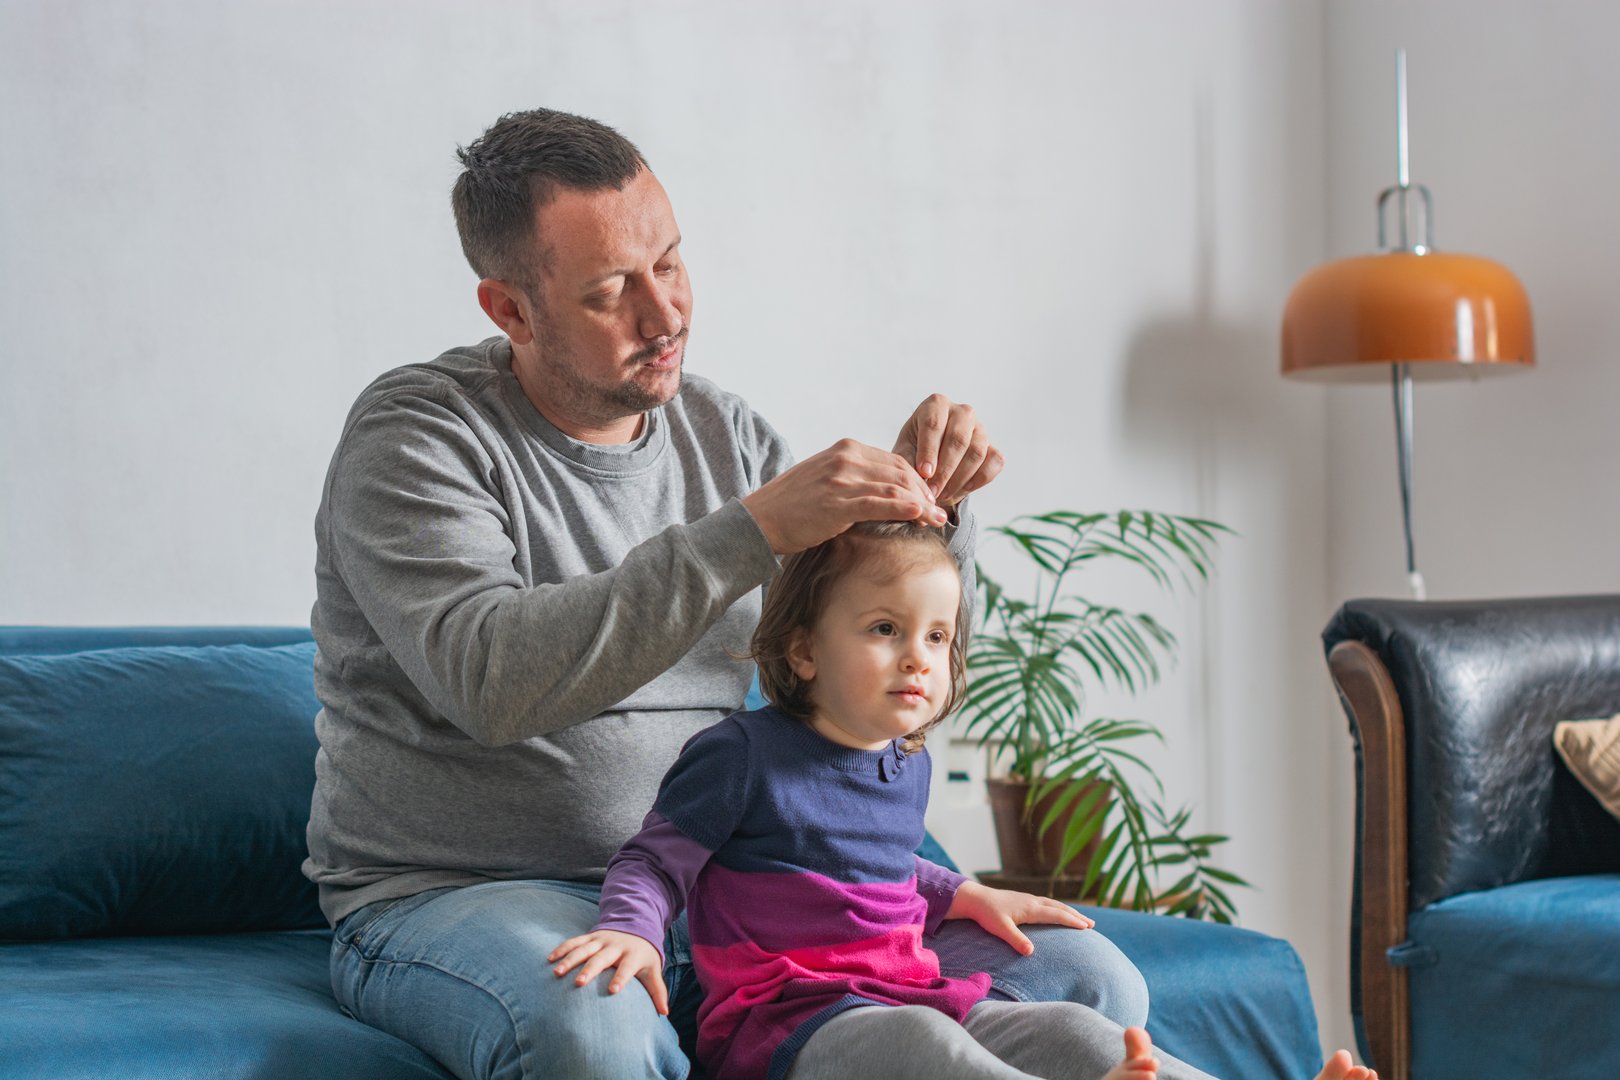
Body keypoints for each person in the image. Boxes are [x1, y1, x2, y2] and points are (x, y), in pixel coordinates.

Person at [306, 107, 1149, 1080]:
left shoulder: (722, 431)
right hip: (469, 892)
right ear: (511, 311)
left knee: (1087, 982)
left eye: (668, 263)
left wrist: (938, 513)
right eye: (611, 291)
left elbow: (861, 659)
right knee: (596, 1035)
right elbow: (490, 681)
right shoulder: (417, 437)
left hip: (736, 879)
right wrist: (753, 530)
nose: (663, 316)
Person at [550, 524, 1378, 1080]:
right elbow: (655, 858)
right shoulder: (740, 755)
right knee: (926, 1048)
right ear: (802, 649)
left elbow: (878, 868)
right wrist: (629, 929)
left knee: (1078, 1035)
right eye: (884, 629)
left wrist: (958, 890)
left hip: (907, 987)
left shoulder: (904, 763)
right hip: (787, 1027)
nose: (919, 657)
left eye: (937, 637)